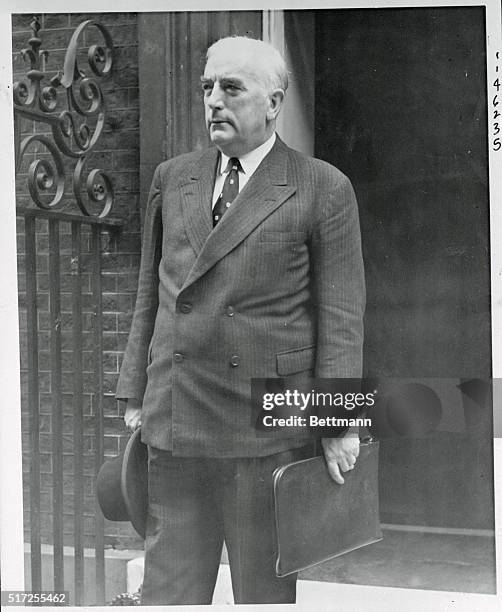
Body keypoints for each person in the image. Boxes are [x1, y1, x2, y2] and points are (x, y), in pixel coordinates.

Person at [116, 35, 365, 605]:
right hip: (177, 418)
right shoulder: (173, 176)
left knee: (263, 595)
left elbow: (343, 318)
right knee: (168, 592)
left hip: (269, 427)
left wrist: (340, 422)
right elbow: (149, 293)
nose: (213, 102)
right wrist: (135, 391)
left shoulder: (323, 186)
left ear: (274, 103)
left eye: (232, 88)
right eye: (207, 87)